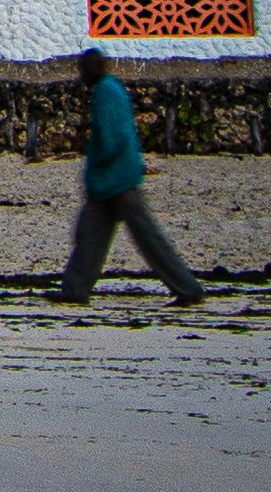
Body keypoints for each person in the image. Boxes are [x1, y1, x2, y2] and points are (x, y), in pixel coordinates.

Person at [56, 43, 205, 305]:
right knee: (90, 236)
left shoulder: (106, 92)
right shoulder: (111, 89)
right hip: (109, 181)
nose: (82, 74)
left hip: (117, 181)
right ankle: (74, 290)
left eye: (85, 68)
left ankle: (188, 289)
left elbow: (112, 139)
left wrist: (98, 167)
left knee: (148, 239)